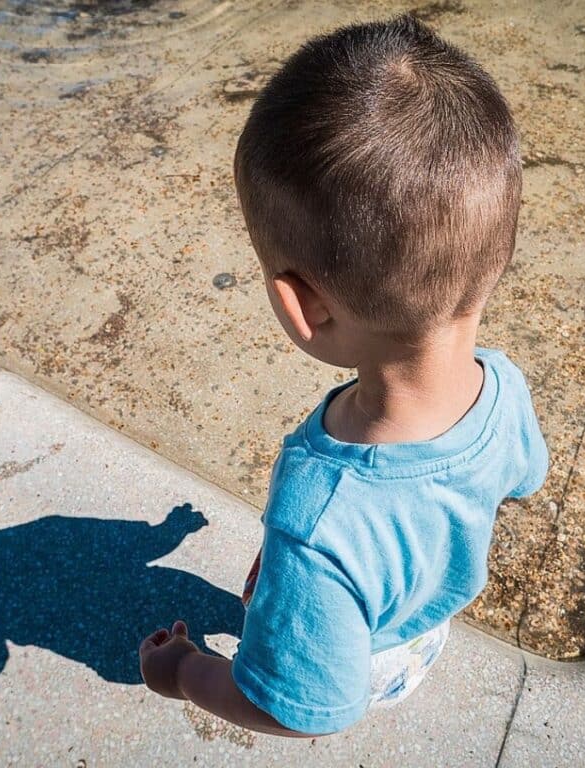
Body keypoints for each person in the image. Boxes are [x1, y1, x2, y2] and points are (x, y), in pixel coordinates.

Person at [139, 13, 548, 738]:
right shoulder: (502, 387)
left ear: (303, 308)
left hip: (369, 667)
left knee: (298, 643)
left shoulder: (319, 516)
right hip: (426, 624)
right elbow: (521, 478)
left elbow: (298, 711)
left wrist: (186, 674)